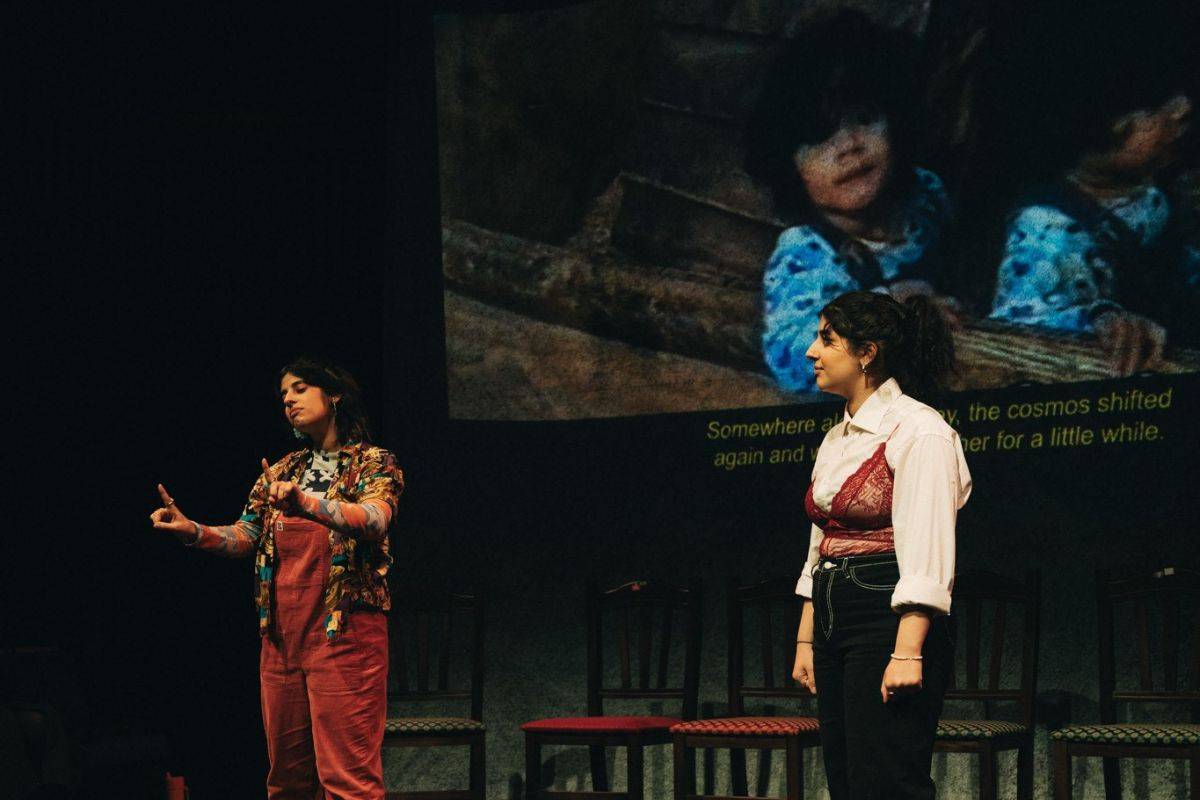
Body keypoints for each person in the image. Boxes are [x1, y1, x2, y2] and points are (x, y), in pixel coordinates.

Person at [149, 358, 404, 800]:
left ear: (335, 395)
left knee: (348, 780)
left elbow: (375, 520)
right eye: (284, 393)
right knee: (286, 780)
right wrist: (193, 530)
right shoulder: (283, 470)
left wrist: (306, 504)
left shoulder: (373, 463)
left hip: (345, 636)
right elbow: (246, 534)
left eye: (300, 388)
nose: (288, 399)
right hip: (282, 638)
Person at [790, 291, 971, 799]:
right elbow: (821, 543)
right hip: (833, 612)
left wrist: (909, 650)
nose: (811, 351)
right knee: (846, 778)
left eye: (826, 339)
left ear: (866, 353)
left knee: (887, 778)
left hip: (884, 613)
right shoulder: (836, 438)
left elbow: (929, 548)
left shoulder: (920, 431)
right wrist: (807, 637)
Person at [746, 9, 965, 394]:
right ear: (787, 166)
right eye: (819, 136)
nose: (848, 146)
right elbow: (798, 359)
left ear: (895, 117)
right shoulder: (806, 252)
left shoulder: (926, 199)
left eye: (864, 118)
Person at [988, 3, 1197, 372]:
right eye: (1153, 106)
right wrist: (1099, 322)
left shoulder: (1148, 187)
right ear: (1089, 127)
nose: (1181, 109)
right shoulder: (1044, 229)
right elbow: (1019, 323)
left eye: (1176, 92)